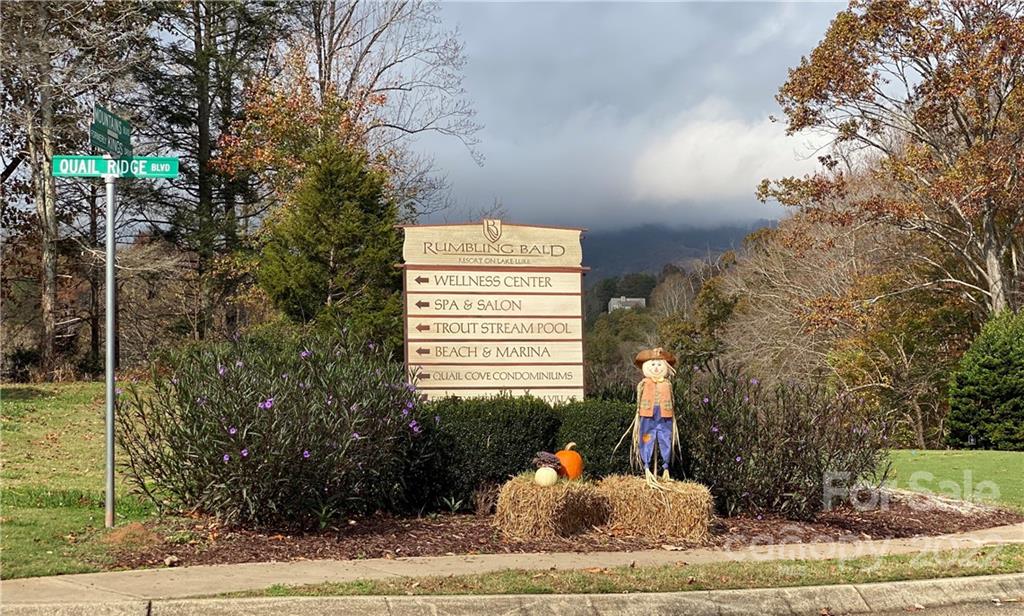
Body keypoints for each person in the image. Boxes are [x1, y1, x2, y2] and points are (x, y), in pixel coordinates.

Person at [629, 347, 679, 480]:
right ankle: (646, 465)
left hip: (664, 415)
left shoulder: (667, 384)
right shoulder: (644, 384)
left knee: (665, 437)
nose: (656, 368)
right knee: (646, 436)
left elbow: (672, 400)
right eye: (653, 364)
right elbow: (639, 399)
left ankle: (666, 466)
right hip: (647, 415)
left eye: (659, 364)